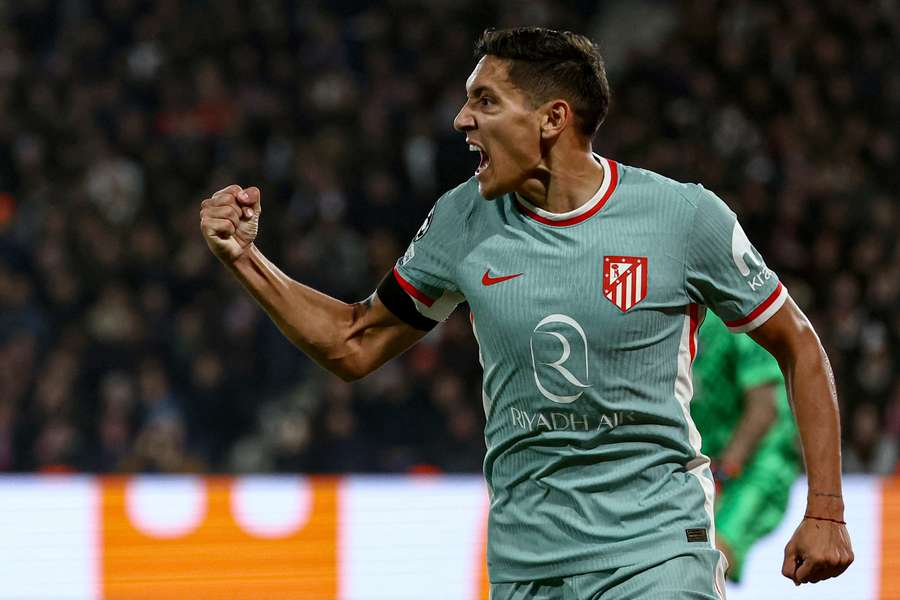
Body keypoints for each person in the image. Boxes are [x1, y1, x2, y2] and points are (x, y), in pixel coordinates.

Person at [200, 26, 853, 599]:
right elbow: (353, 342)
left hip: (657, 554)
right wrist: (246, 260)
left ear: (552, 118)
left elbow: (798, 343)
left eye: (485, 101)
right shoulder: (462, 220)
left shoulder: (682, 218)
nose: (461, 120)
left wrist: (825, 507)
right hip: (527, 568)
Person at [691, 313, 801, 583]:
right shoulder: (665, 317)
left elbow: (763, 409)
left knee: (708, 557)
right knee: (685, 557)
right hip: (703, 461)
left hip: (757, 461)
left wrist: (722, 476)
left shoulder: (736, 317)